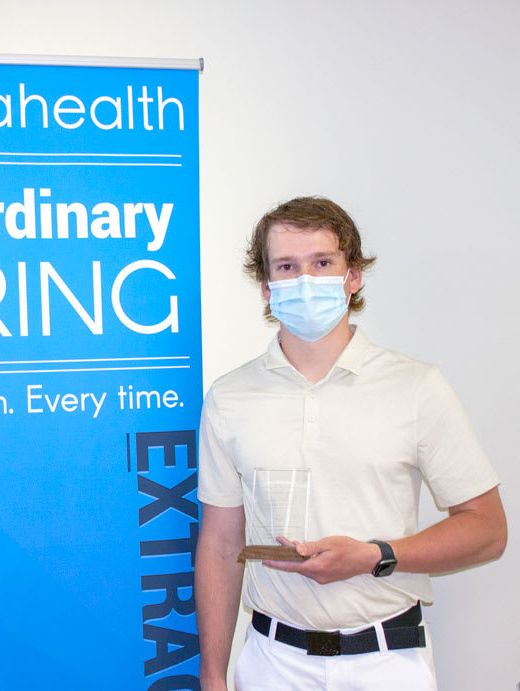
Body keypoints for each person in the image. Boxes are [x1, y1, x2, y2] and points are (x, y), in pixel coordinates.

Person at [194, 197, 507, 691]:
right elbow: (219, 544)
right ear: (267, 288)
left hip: (388, 662)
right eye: (287, 267)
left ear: (353, 275)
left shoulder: (417, 386)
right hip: (273, 664)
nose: (305, 280)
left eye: (322, 263)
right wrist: (212, 676)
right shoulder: (230, 397)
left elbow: (488, 530)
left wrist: (375, 555)